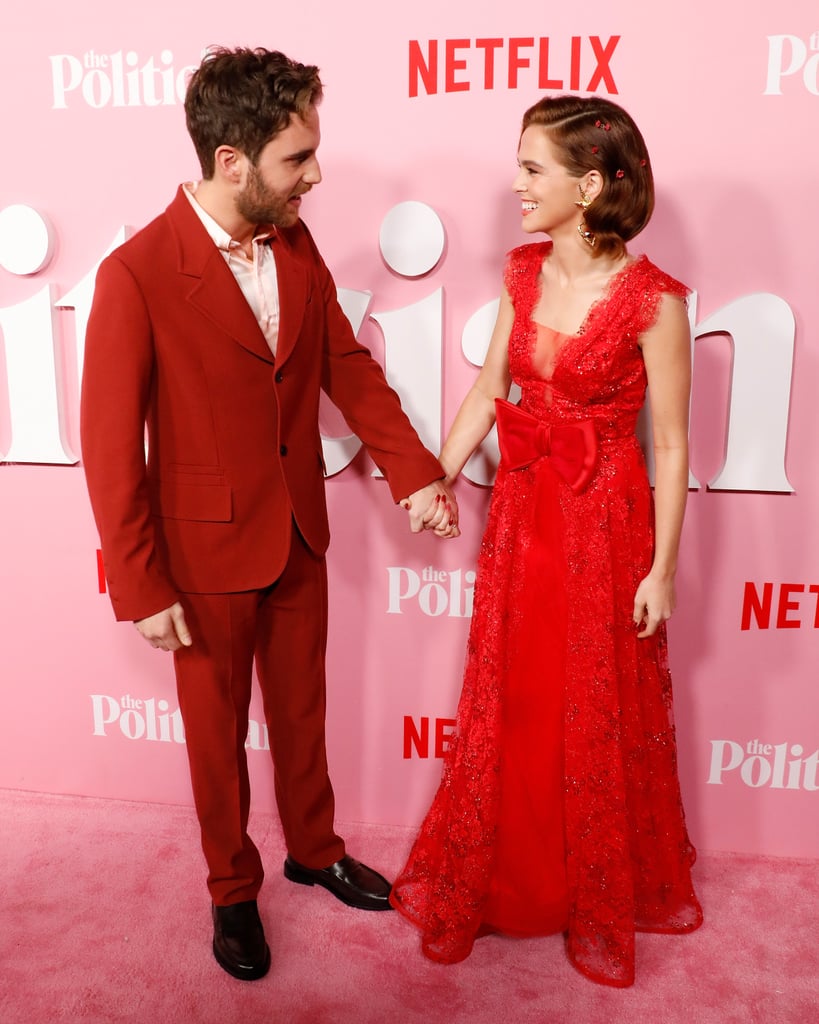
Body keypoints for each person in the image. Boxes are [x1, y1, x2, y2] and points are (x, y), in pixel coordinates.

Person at [80, 46, 458, 982]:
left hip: (297, 530)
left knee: (302, 712)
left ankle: (314, 848)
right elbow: (108, 445)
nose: (316, 176)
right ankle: (230, 891)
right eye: (298, 158)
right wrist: (138, 581)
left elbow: (343, 366)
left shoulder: (294, 243)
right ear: (231, 160)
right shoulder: (133, 273)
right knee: (216, 740)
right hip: (199, 555)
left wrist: (414, 473)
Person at [389, 95, 703, 987]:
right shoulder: (522, 272)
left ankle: (587, 887)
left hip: (604, 521)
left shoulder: (656, 303)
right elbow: (490, 387)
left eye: (533, 169)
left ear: (590, 184)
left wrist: (662, 568)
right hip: (524, 512)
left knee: (590, 702)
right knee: (518, 696)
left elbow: (672, 445)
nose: (516, 184)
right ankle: (517, 876)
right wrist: (438, 474)